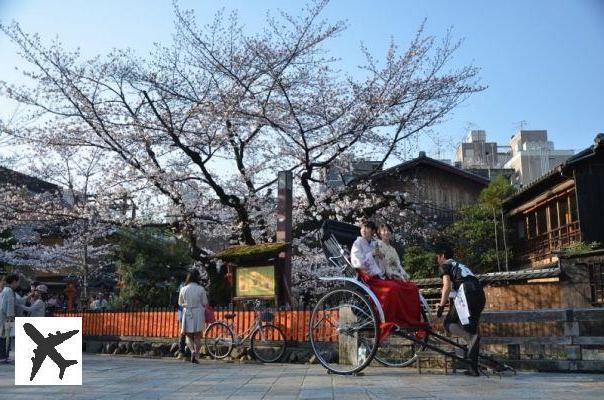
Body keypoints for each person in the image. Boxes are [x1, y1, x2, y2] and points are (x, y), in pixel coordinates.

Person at [350, 220, 423, 339]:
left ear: (373, 231)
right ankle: (389, 319)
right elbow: (357, 262)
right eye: (362, 227)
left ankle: (406, 320)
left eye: (367, 228)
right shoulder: (358, 243)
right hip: (367, 276)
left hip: (379, 275)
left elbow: (385, 263)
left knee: (407, 287)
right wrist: (372, 255)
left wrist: (382, 260)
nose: (364, 230)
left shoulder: (374, 244)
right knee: (392, 288)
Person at [435, 242, 486, 377]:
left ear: (443, 256)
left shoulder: (445, 265)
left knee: (448, 323)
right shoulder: (461, 265)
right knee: (472, 330)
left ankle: (469, 338)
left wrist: (441, 306)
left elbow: (446, 286)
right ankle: (473, 369)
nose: (437, 260)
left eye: (438, 257)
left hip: (466, 293)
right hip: (480, 294)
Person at [178, 269, 208, 364]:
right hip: (198, 312)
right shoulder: (201, 289)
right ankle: (196, 354)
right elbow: (205, 302)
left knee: (188, 335)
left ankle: (192, 351)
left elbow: (180, 302)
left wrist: (185, 305)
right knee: (198, 336)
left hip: (187, 313)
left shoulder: (183, 289)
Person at [0, 273, 20, 362]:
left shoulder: (6, 290)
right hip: (6, 318)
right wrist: (10, 317)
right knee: (6, 337)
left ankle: (3, 356)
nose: (18, 284)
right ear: (14, 282)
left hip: (3, 316)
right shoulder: (9, 291)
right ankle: (3, 356)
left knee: (3, 336)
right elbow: (9, 306)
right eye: (17, 282)